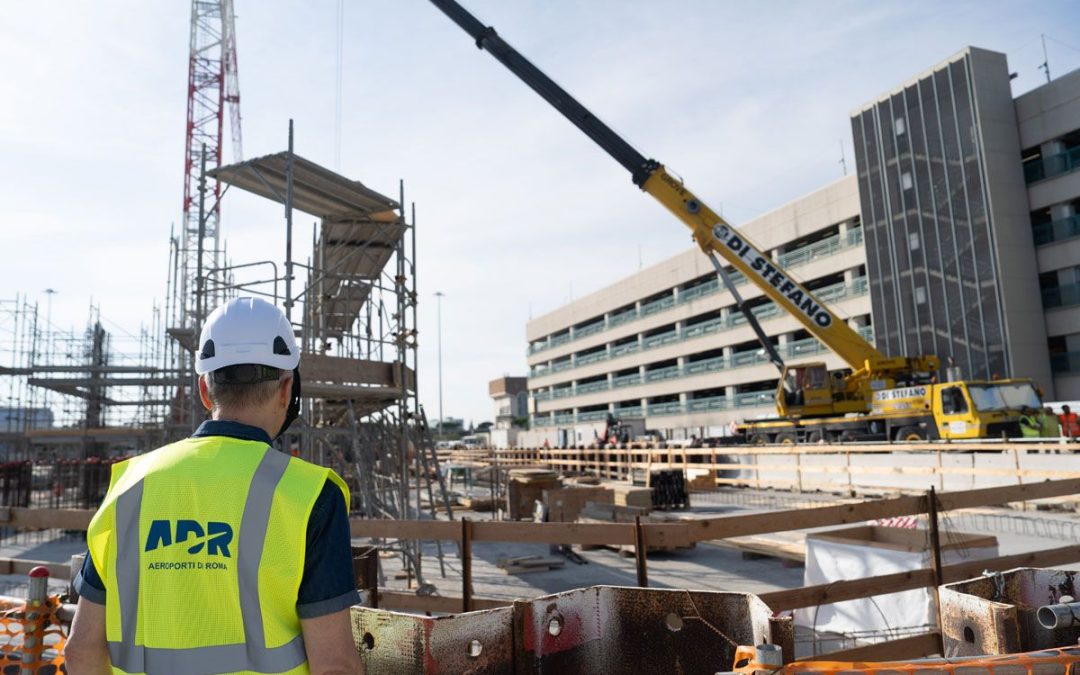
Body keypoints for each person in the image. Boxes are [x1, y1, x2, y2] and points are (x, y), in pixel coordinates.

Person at [65, 298, 362, 675]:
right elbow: (333, 665)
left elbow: (80, 652)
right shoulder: (311, 496)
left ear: (205, 391)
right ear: (287, 390)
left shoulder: (130, 487)